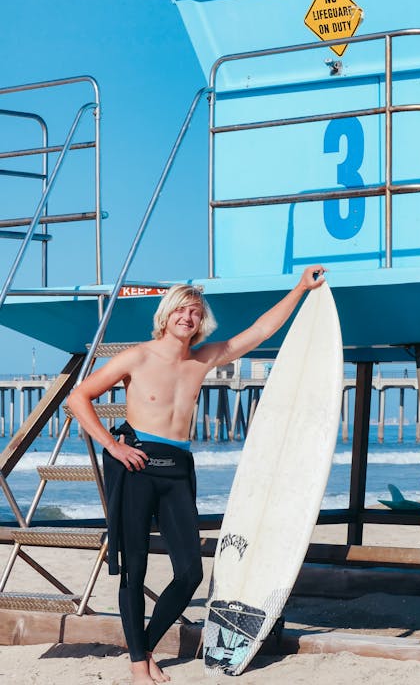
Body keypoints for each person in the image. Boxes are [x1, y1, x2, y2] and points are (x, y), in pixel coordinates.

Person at [67, 265, 325, 685]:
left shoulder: (203, 359)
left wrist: (300, 288)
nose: (188, 318)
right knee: (134, 570)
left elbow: (259, 332)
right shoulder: (137, 356)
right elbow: (79, 398)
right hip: (136, 466)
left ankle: (145, 647)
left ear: (200, 322)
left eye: (195, 313)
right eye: (181, 311)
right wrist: (113, 446)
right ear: (166, 316)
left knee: (190, 572)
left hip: (177, 469)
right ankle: (137, 666)